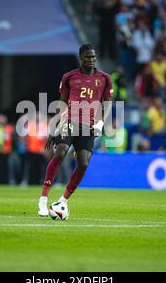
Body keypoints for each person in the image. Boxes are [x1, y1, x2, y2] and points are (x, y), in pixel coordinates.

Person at [37, 44, 113, 216]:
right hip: (70, 120)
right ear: (80, 57)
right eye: (88, 57)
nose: (92, 60)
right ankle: (43, 200)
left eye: (93, 57)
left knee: (83, 164)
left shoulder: (104, 78)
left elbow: (107, 103)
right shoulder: (69, 77)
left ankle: (62, 201)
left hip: (89, 126)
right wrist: (53, 127)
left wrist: (101, 123)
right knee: (61, 151)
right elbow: (62, 103)